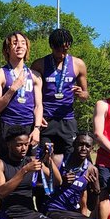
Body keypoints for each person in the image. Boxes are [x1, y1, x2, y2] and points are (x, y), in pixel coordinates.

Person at [31, 28, 88, 160]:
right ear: (51, 46)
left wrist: (81, 94)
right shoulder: (39, 64)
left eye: (65, 50)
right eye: (58, 49)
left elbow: (86, 95)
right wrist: (37, 117)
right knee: (44, 158)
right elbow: (31, 95)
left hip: (67, 119)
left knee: (71, 158)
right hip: (46, 119)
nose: (62, 54)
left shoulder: (78, 64)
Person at [0, 31, 41, 160]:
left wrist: (37, 129)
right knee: (6, 168)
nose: (19, 46)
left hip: (29, 126)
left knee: (30, 168)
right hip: (8, 125)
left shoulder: (35, 76)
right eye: (15, 43)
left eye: (23, 43)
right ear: (7, 49)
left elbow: (39, 105)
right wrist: (12, 89)